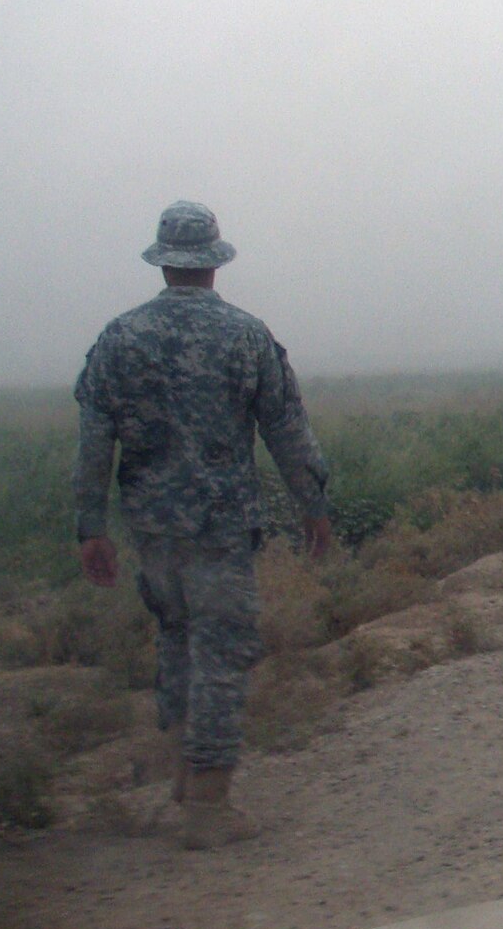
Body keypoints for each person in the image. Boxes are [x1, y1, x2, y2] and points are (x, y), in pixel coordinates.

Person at [74, 201, 331, 849]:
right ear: (214, 263)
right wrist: (314, 505)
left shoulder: (120, 338)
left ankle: (185, 787)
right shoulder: (245, 335)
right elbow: (286, 429)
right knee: (221, 652)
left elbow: (94, 440)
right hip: (220, 527)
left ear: (163, 263)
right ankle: (209, 807)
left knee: (178, 643)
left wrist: (91, 527)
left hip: (153, 528)